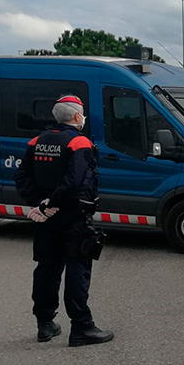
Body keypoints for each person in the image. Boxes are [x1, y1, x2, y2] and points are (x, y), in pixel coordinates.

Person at [15, 95, 114, 347]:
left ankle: (45, 323)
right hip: (73, 216)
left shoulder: (36, 141)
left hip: (47, 219)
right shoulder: (79, 142)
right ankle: (82, 327)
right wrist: (52, 203)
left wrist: (41, 204)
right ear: (78, 116)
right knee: (77, 270)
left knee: (47, 268)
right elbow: (75, 181)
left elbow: (21, 178)